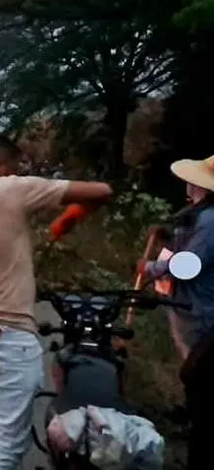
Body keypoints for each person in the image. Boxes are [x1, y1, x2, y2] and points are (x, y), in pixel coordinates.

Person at [0, 132, 112, 470]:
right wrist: (67, 219)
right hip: (7, 332)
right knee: (6, 434)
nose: (16, 174)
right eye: (13, 168)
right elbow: (101, 192)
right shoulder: (10, 188)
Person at [138, 154, 214, 470]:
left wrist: (151, 267)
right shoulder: (199, 216)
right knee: (195, 377)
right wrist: (169, 237)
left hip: (204, 315)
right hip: (192, 313)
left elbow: (190, 266)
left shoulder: (210, 219)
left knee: (201, 378)